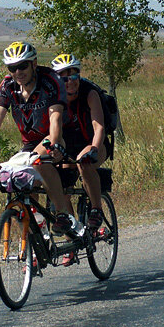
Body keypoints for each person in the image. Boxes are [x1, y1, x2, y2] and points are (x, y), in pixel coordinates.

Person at [0, 41, 74, 235]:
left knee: (37, 162)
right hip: (29, 143)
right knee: (22, 186)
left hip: (55, 136)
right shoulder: (8, 85)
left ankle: (62, 213)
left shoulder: (50, 80)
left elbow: (55, 116)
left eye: (22, 66)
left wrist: (53, 144)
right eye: (12, 68)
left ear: (34, 63)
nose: (18, 72)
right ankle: (34, 241)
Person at [50, 53, 107, 233]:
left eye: (74, 76)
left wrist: (94, 150)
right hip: (68, 147)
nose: (70, 82)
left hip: (93, 143)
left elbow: (99, 128)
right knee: (60, 183)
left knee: (85, 162)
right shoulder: (53, 97)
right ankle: (72, 234)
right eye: (64, 78)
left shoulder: (89, 93)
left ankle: (97, 209)